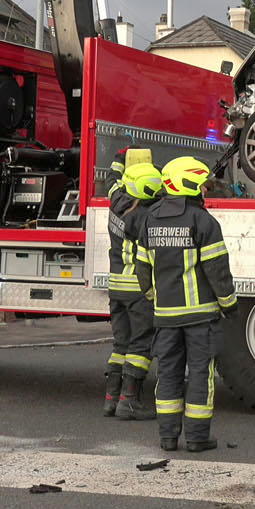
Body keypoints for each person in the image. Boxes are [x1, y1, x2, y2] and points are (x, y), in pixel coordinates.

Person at [135, 156, 237, 452]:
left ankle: (168, 437)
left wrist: (155, 299)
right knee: (200, 375)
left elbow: (142, 270)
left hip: (165, 318)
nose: (205, 190)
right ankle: (197, 437)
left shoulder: (149, 219)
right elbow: (217, 271)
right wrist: (229, 304)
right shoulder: (203, 222)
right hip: (200, 318)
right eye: (202, 184)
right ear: (188, 183)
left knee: (168, 373)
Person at [104, 158, 163, 420]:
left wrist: (120, 159)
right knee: (140, 345)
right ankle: (129, 402)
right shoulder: (144, 218)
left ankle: (111, 399)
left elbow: (111, 180)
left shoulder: (116, 200)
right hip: (136, 289)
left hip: (115, 287)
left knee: (121, 345)